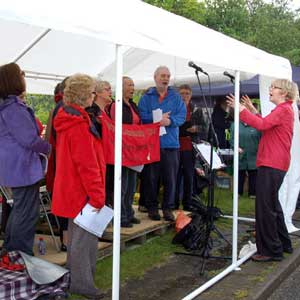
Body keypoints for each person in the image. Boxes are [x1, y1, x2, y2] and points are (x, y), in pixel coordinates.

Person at [226, 79, 296, 262]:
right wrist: (252, 111)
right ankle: (283, 243)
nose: (270, 90)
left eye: (274, 87)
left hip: (272, 162)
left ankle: (271, 250)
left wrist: (241, 111)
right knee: (273, 205)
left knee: (265, 208)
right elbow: (267, 124)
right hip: (276, 163)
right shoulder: (284, 110)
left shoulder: (283, 109)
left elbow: (263, 126)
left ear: (284, 92)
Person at [52, 74, 106, 299]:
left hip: (73, 190)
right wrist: (97, 196)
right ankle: (82, 284)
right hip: (81, 192)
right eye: (93, 91)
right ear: (84, 95)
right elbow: (87, 165)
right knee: (84, 242)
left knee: (78, 240)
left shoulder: (71, 120)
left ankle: (76, 279)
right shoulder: (78, 125)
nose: (95, 95)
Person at [0, 63, 51, 256]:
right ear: (13, 79)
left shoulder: (7, 105)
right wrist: (48, 148)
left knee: (20, 209)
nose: (24, 76)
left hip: (14, 166)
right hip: (22, 167)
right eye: (21, 74)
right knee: (26, 212)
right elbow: (29, 139)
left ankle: (10, 250)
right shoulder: (13, 108)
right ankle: (19, 254)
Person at [138, 66, 186, 221]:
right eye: (163, 76)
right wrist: (156, 119)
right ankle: (152, 207)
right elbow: (141, 116)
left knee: (170, 179)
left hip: (171, 144)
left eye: (168, 76)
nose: (166, 79)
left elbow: (181, 116)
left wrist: (169, 121)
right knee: (151, 178)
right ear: (155, 77)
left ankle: (167, 208)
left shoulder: (176, 97)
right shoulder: (146, 97)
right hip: (151, 144)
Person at [108, 76, 141, 227]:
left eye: (133, 85)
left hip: (134, 151)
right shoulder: (116, 105)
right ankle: (120, 217)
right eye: (129, 85)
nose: (132, 88)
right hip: (122, 150)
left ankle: (128, 212)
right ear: (121, 87)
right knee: (123, 185)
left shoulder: (133, 105)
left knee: (132, 185)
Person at [175, 84, 207, 211]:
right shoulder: (174, 109)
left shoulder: (196, 110)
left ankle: (188, 203)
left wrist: (196, 128)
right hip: (176, 146)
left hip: (190, 146)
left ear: (191, 95)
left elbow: (205, 127)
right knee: (176, 176)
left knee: (189, 176)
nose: (184, 96)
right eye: (182, 93)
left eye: (187, 94)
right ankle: (175, 202)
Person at [229, 99, 261, 198]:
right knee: (240, 174)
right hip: (240, 155)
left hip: (254, 154)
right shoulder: (235, 125)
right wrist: (236, 147)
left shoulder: (257, 124)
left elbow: (262, 138)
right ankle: (238, 192)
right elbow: (231, 139)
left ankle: (253, 193)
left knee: (253, 174)